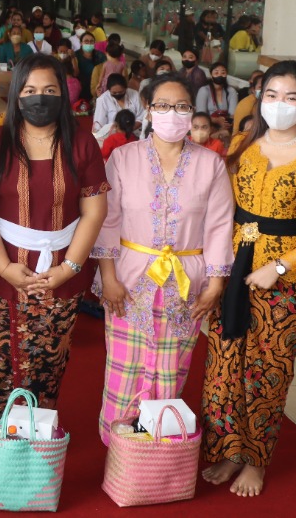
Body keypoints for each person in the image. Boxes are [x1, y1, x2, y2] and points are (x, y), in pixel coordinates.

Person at [202, 60, 296, 497]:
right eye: (271, 95)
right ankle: (229, 450)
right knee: (223, 365)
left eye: (291, 98)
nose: (279, 105)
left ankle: (256, 459)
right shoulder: (245, 144)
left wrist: (279, 267)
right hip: (233, 266)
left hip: (286, 280)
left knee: (267, 369)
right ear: (259, 99)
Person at [93, 73, 235, 444]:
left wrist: (217, 283)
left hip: (186, 280)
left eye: (182, 106)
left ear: (191, 112)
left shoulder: (211, 165)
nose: (172, 113)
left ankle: (157, 448)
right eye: (163, 106)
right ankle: (120, 446)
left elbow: (219, 226)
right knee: (124, 370)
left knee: (171, 369)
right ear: (148, 109)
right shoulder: (123, 159)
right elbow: (107, 221)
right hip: (129, 278)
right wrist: (108, 277)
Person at [0, 54, 109, 414]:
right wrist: (4, 268)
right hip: (3, 269)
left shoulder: (81, 144)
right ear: (16, 94)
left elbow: (94, 210)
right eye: (30, 90)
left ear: (63, 95)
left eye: (49, 90)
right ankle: (2, 437)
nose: (40, 98)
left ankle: (40, 440)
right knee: (2, 360)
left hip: (63, 268)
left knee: (50, 362)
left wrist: (69, 269)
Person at [92, 73, 143, 142]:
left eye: (121, 92)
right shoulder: (102, 100)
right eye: (114, 93)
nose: (118, 94)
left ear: (126, 88)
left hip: (135, 133)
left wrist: (128, 130)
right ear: (109, 90)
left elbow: (141, 117)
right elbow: (99, 125)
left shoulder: (135, 95)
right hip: (112, 137)